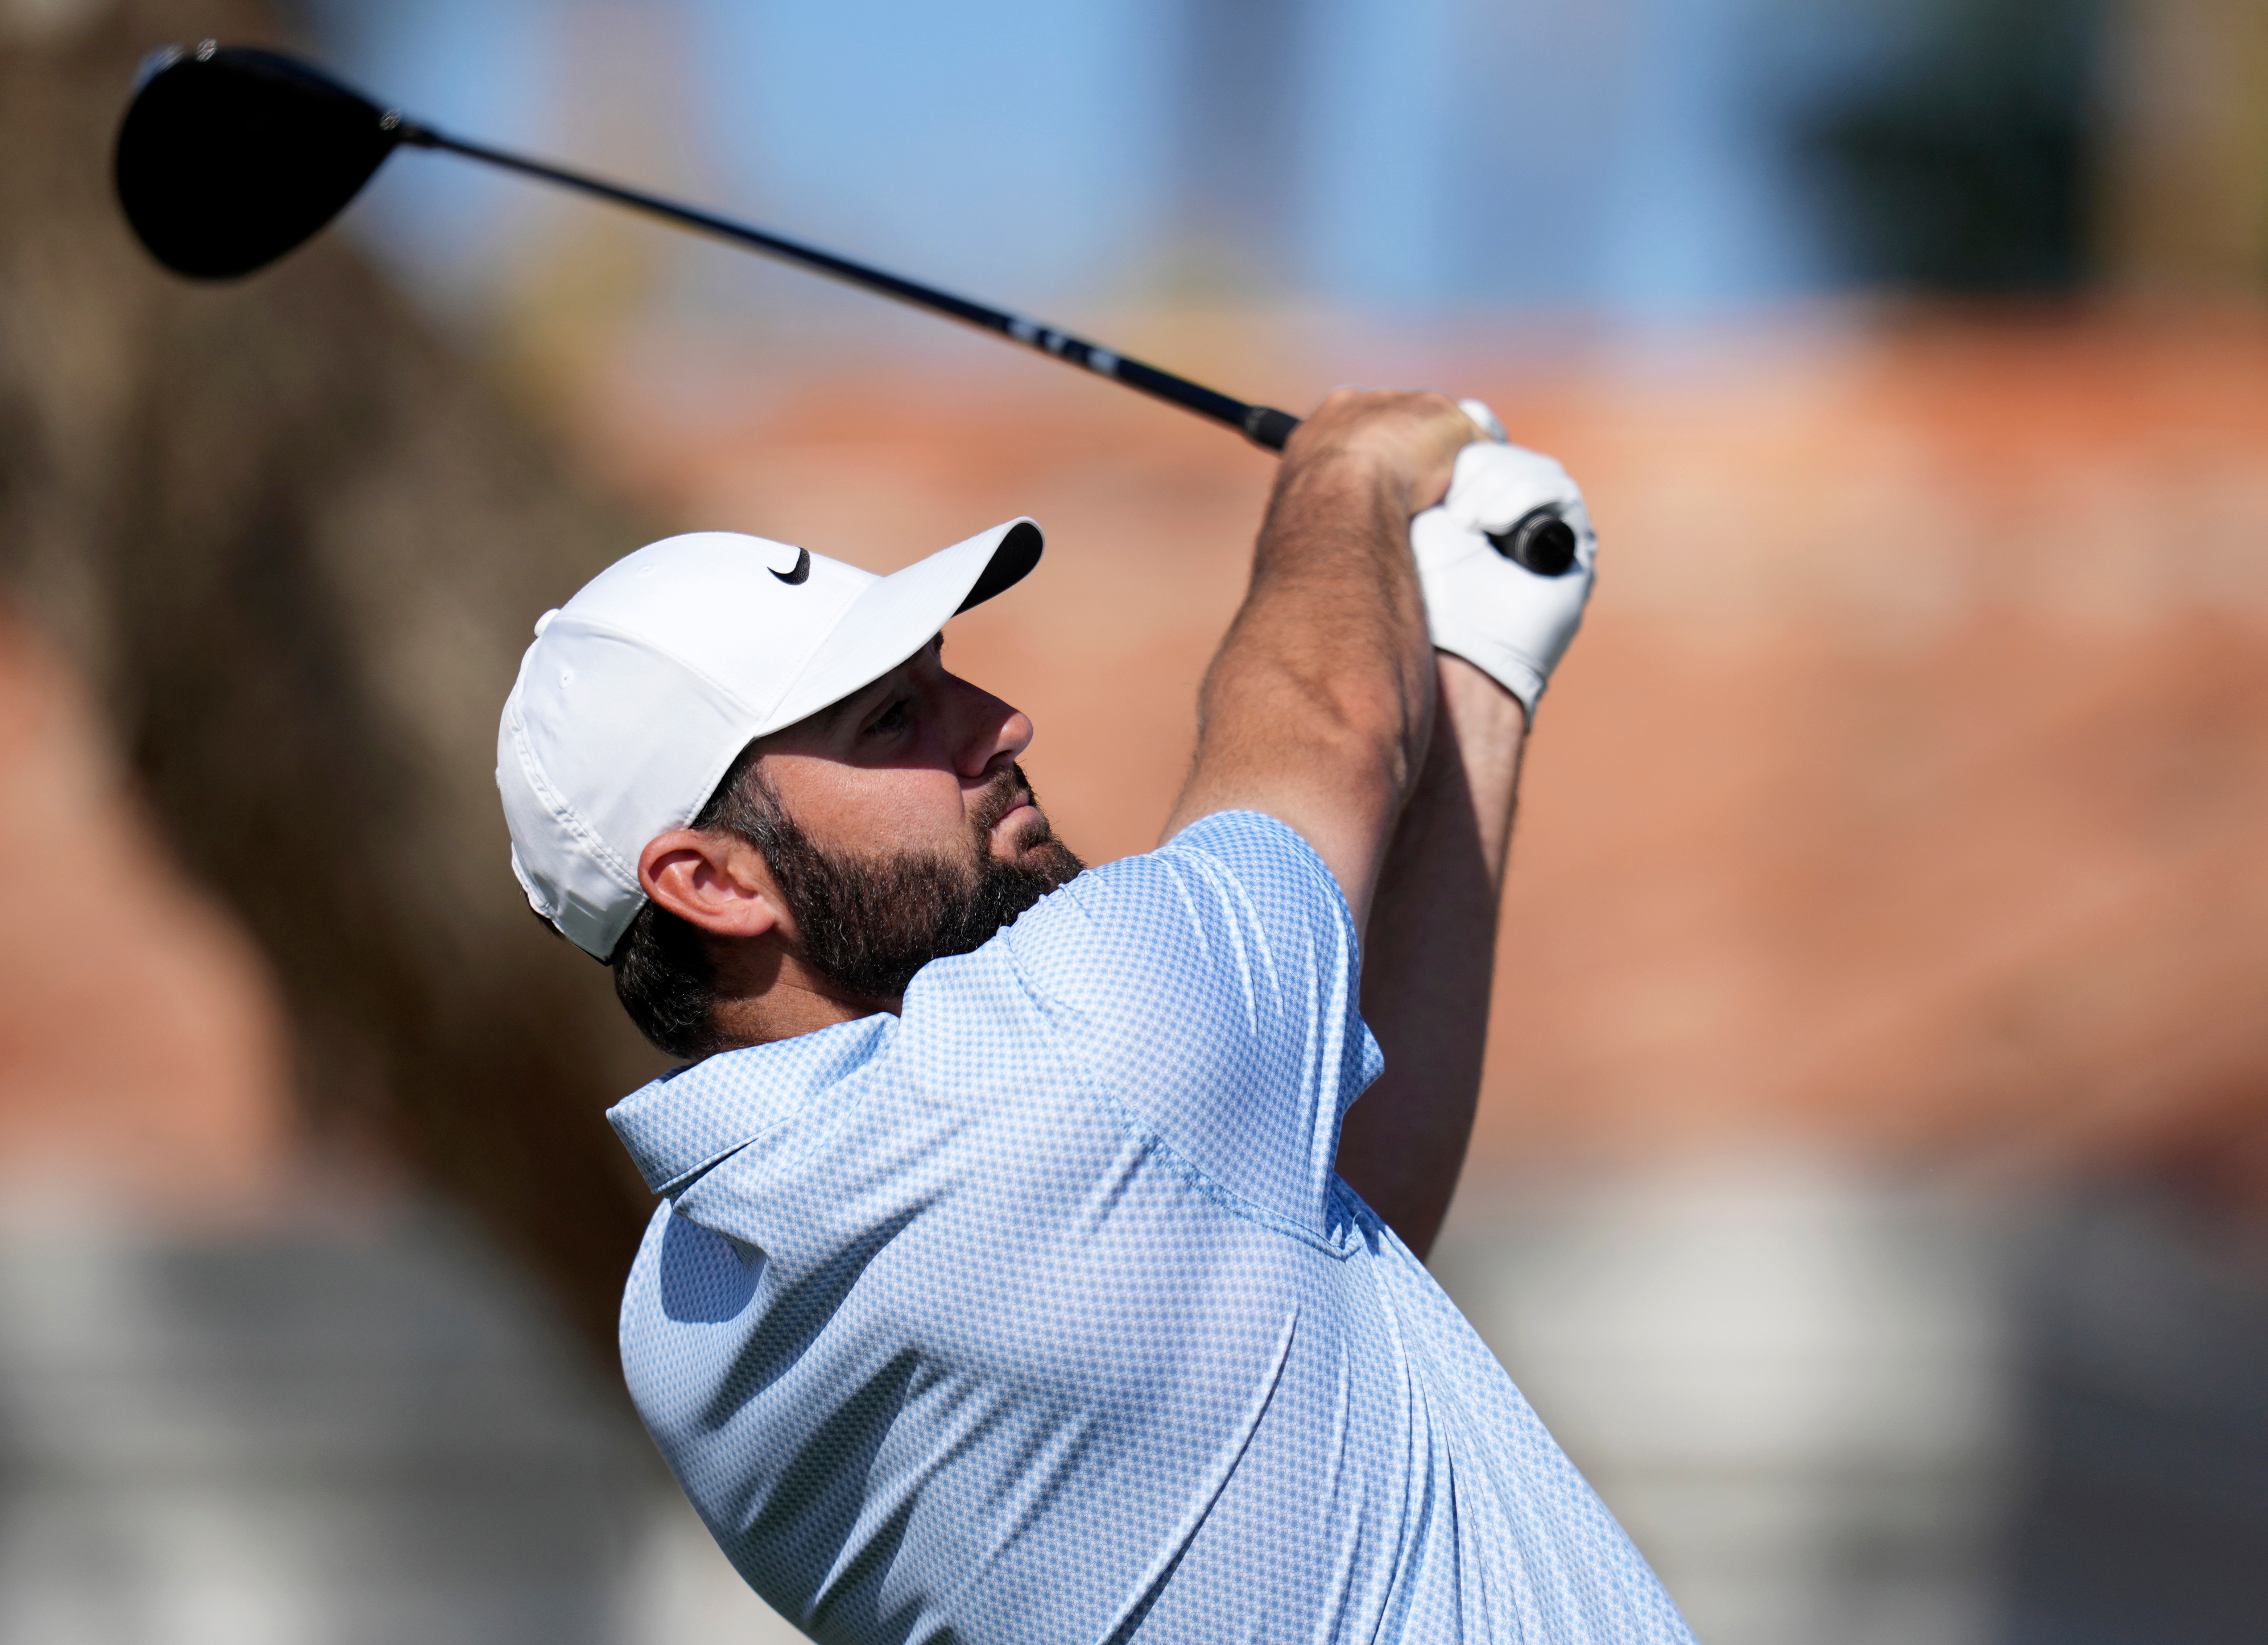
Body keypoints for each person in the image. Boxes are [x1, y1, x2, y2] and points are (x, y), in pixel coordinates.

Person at [497, 390, 1692, 1643]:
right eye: (893, 718)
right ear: (714, 881)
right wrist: (1351, 473)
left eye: (940, 679)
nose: (1000, 724)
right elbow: (1326, 725)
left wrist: (1480, 672)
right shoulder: (1068, 1061)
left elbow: (1315, 1219)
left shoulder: (685, 1330)